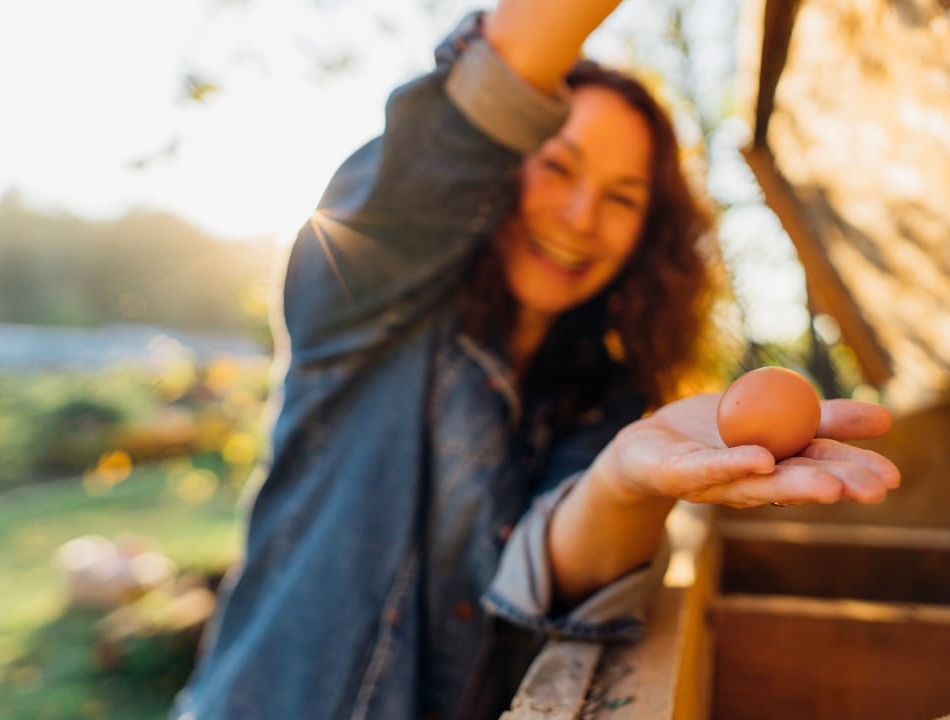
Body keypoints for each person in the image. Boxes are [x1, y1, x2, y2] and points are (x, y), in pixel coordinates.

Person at [173, 1, 901, 718]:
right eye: (558, 167)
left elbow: (541, 566)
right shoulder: (366, 295)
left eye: (621, 198)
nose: (581, 217)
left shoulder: (600, 392)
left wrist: (623, 478)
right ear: (498, 168)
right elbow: (490, 89)